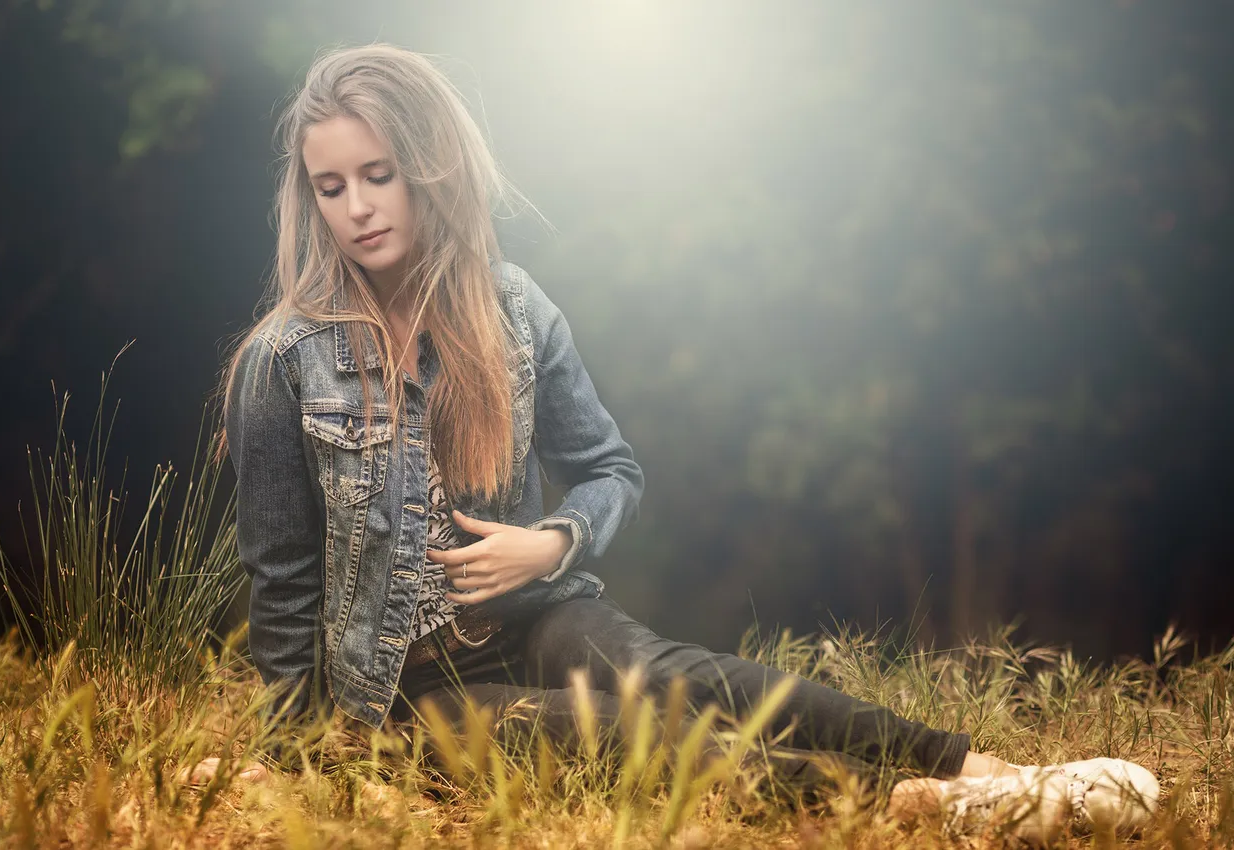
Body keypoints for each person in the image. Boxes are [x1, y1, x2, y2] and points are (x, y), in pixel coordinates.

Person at [215, 43, 1159, 839]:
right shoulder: (286, 358)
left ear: (432, 171)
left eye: (378, 176)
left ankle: (986, 764)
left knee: (674, 676)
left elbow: (609, 472)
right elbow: (285, 578)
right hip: (408, 698)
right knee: (621, 730)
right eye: (331, 185)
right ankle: (933, 808)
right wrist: (298, 755)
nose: (358, 207)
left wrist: (552, 542)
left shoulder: (515, 311)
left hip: (530, 618)